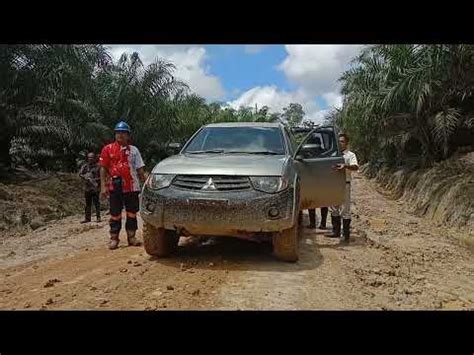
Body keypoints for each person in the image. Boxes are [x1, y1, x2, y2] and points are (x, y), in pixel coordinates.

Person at [99, 121, 146, 250]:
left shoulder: (134, 150)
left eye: (123, 133)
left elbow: (140, 169)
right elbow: (103, 168)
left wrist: (147, 184)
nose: (120, 135)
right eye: (118, 132)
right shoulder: (107, 149)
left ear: (128, 135)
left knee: (131, 213)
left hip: (132, 187)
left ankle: (132, 237)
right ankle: (114, 238)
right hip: (114, 186)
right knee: (115, 214)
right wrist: (103, 186)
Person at [326, 133, 359, 243]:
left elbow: (355, 167)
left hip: (345, 184)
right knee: (333, 208)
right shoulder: (332, 154)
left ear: (346, 143)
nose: (340, 143)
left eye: (342, 141)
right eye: (338, 141)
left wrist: (345, 166)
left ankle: (346, 235)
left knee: (345, 209)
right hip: (333, 185)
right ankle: (335, 232)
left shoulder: (350, 155)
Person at [304, 135, 329, 230]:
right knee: (321, 203)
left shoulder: (307, 153)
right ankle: (322, 224)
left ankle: (314, 223)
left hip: (313, 181)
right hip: (322, 181)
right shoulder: (325, 152)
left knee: (312, 203)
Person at [79, 152, 101, 223]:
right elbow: (80, 174)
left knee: (96, 203)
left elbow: (102, 176)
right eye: (89, 157)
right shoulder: (85, 166)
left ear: (94, 158)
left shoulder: (98, 166)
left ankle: (98, 217)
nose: (90, 159)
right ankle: (87, 218)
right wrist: (85, 177)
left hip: (95, 187)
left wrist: (94, 180)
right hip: (87, 187)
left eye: (91, 157)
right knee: (87, 204)